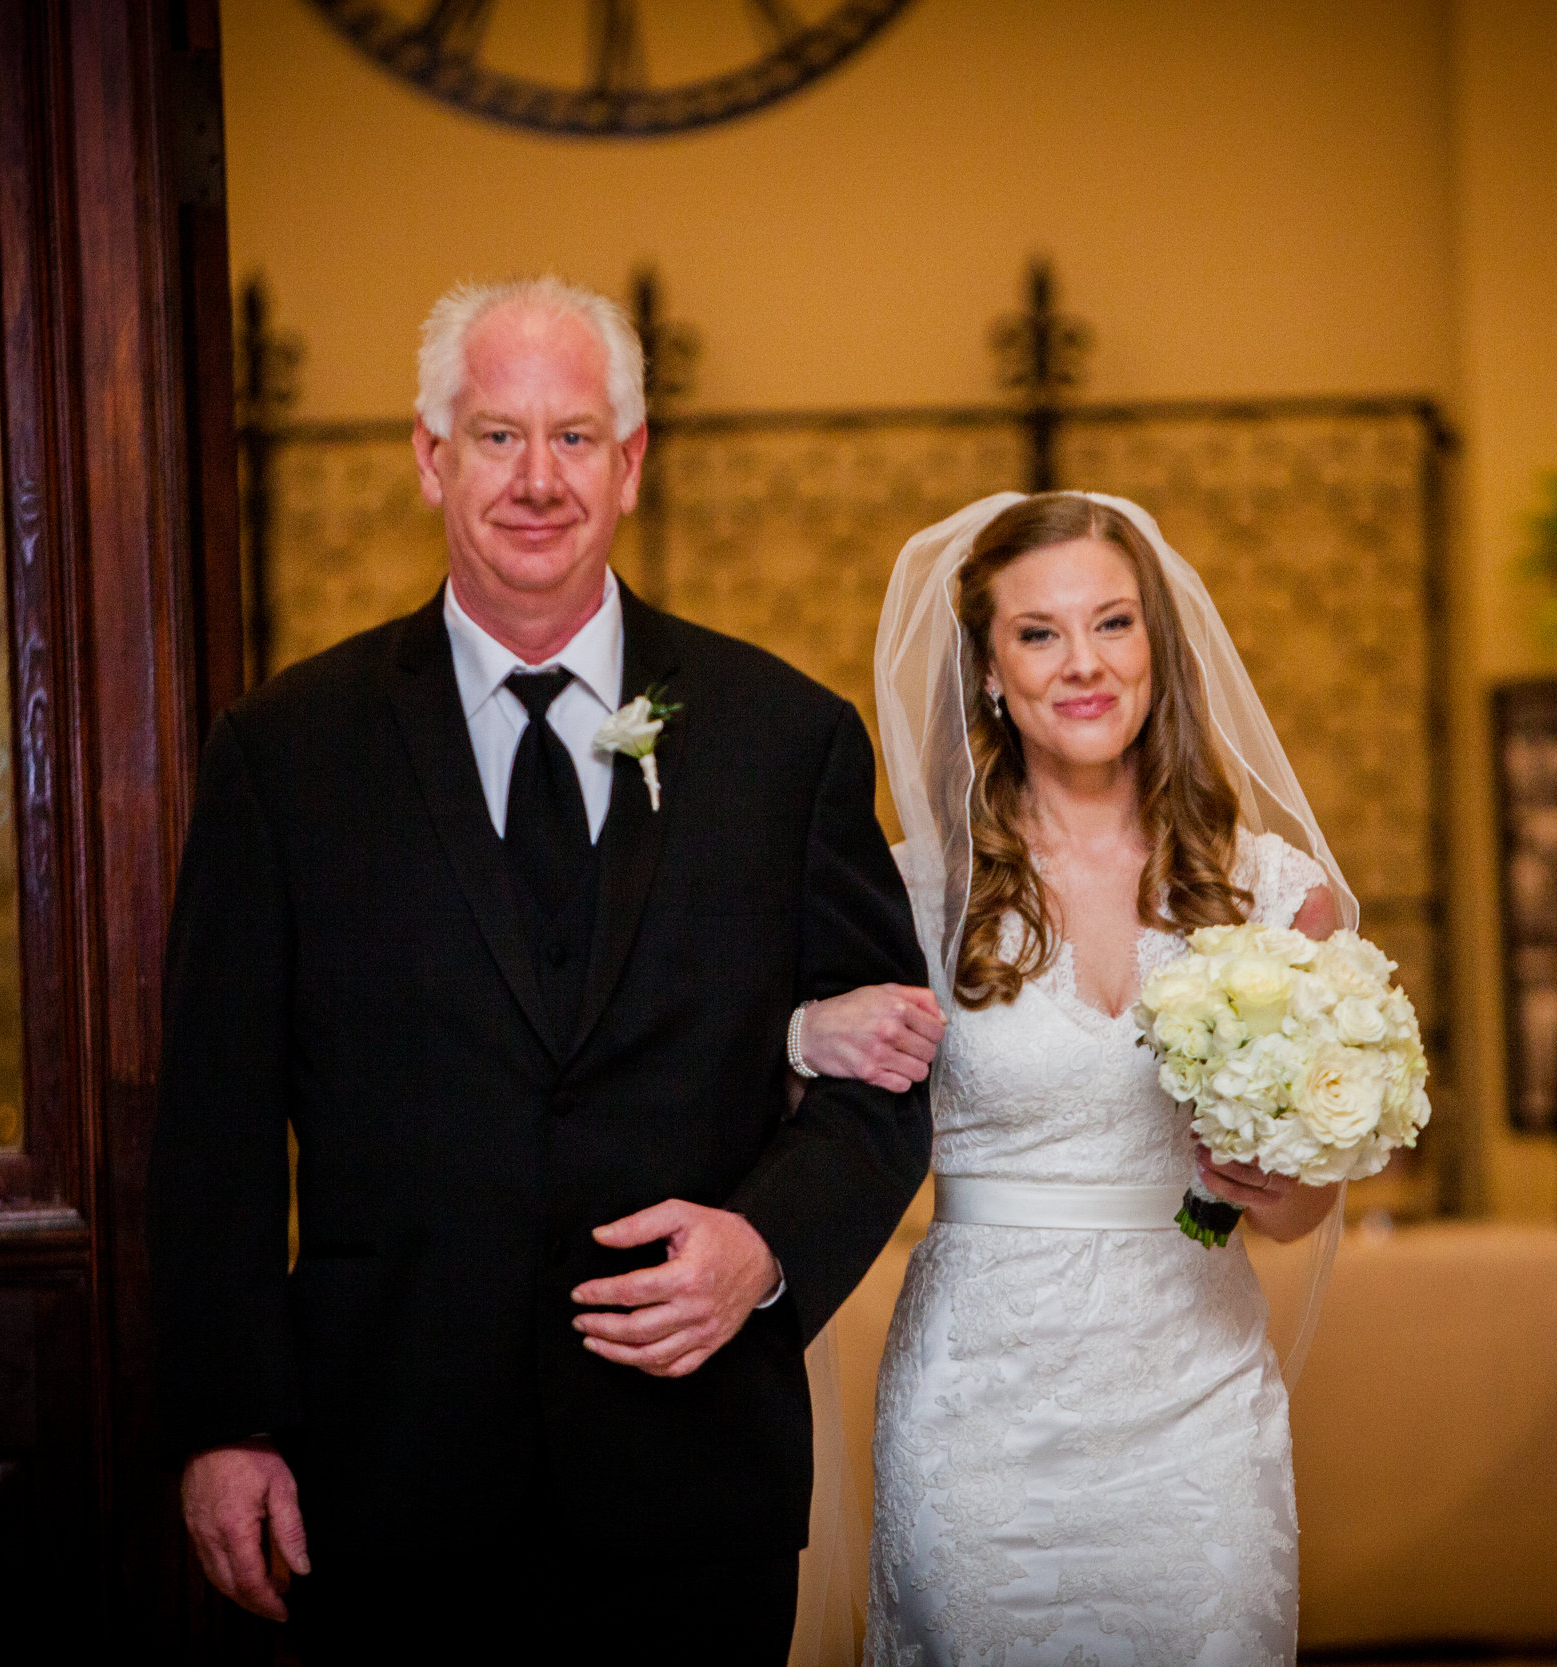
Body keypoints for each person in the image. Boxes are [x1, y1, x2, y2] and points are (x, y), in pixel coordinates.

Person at [147, 276, 932, 1663]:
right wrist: (226, 1418)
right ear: (428, 454)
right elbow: (212, 1117)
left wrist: (764, 1251)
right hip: (381, 1480)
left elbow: (886, 1077)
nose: (535, 478)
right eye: (496, 435)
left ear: (630, 465)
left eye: (574, 437)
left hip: (694, 1486)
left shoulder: (782, 739)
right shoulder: (283, 752)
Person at [802, 491, 1357, 1663]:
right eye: (1039, 633)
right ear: (990, 671)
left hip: (1196, 1401)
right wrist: (804, 1030)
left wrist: (1271, 1177)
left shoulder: (1268, 890)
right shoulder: (911, 897)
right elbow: (778, 1107)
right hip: (976, 1409)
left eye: (1111, 623)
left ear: (1157, 643)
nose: (1083, 663)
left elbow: (1305, 1211)